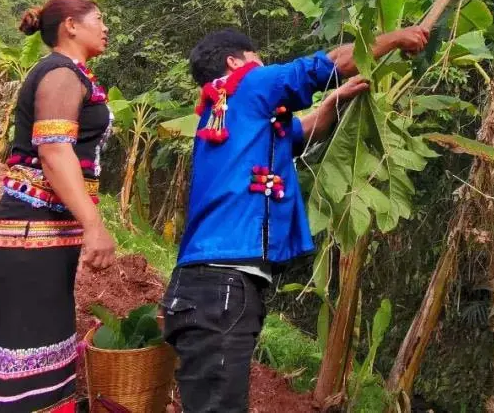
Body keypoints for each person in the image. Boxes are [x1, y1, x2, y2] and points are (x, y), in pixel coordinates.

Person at [162, 25, 430, 413]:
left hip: (210, 285)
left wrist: (332, 102)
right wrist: (395, 38)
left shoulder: (232, 111)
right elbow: (329, 63)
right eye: (258, 60)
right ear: (235, 62)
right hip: (221, 285)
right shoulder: (248, 85)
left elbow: (304, 132)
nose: (265, 67)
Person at [0, 0, 117, 413]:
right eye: (98, 19)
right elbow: (54, 152)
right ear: (70, 25)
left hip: (43, 235)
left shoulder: (72, 74)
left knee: (36, 350)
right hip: (31, 234)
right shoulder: (60, 74)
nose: (106, 28)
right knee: (23, 353)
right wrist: (94, 224)